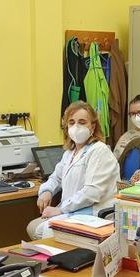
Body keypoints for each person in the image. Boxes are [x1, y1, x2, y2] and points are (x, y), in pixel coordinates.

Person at [27, 101, 119, 240]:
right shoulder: (70, 153)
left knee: (45, 231)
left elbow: (92, 192)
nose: (76, 127)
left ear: (92, 127)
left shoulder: (99, 151)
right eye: (71, 122)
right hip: (75, 211)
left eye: (82, 122)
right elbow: (56, 178)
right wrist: (46, 191)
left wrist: (60, 209)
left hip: (94, 213)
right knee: (38, 228)